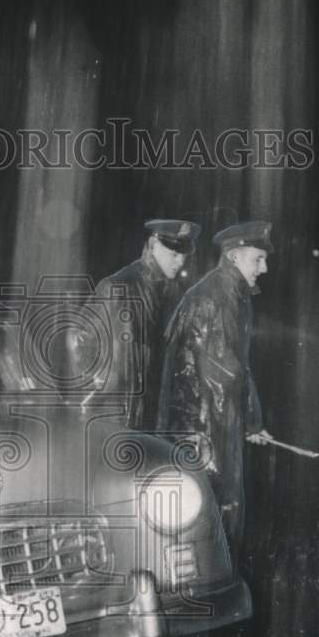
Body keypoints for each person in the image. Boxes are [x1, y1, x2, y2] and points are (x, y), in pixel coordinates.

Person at [157, 221, 273, 561]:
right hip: (204, 429)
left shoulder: (230, 295)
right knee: (213, 520)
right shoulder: (215, 298)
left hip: (213, 423)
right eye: (258, 259)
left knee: (214, 519)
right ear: (235, 257)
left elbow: (235, 366)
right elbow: (222, 376)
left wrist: (252, 422)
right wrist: (247, 424)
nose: (264, 269)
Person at [93, 219, 200, 427]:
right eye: (174, 254)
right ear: (152, 246)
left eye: (184, 256)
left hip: (155, 418)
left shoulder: (175, 296)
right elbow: (81, 344)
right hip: (117, 421)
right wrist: (106, 392)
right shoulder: (117, 288)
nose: (180, 262)